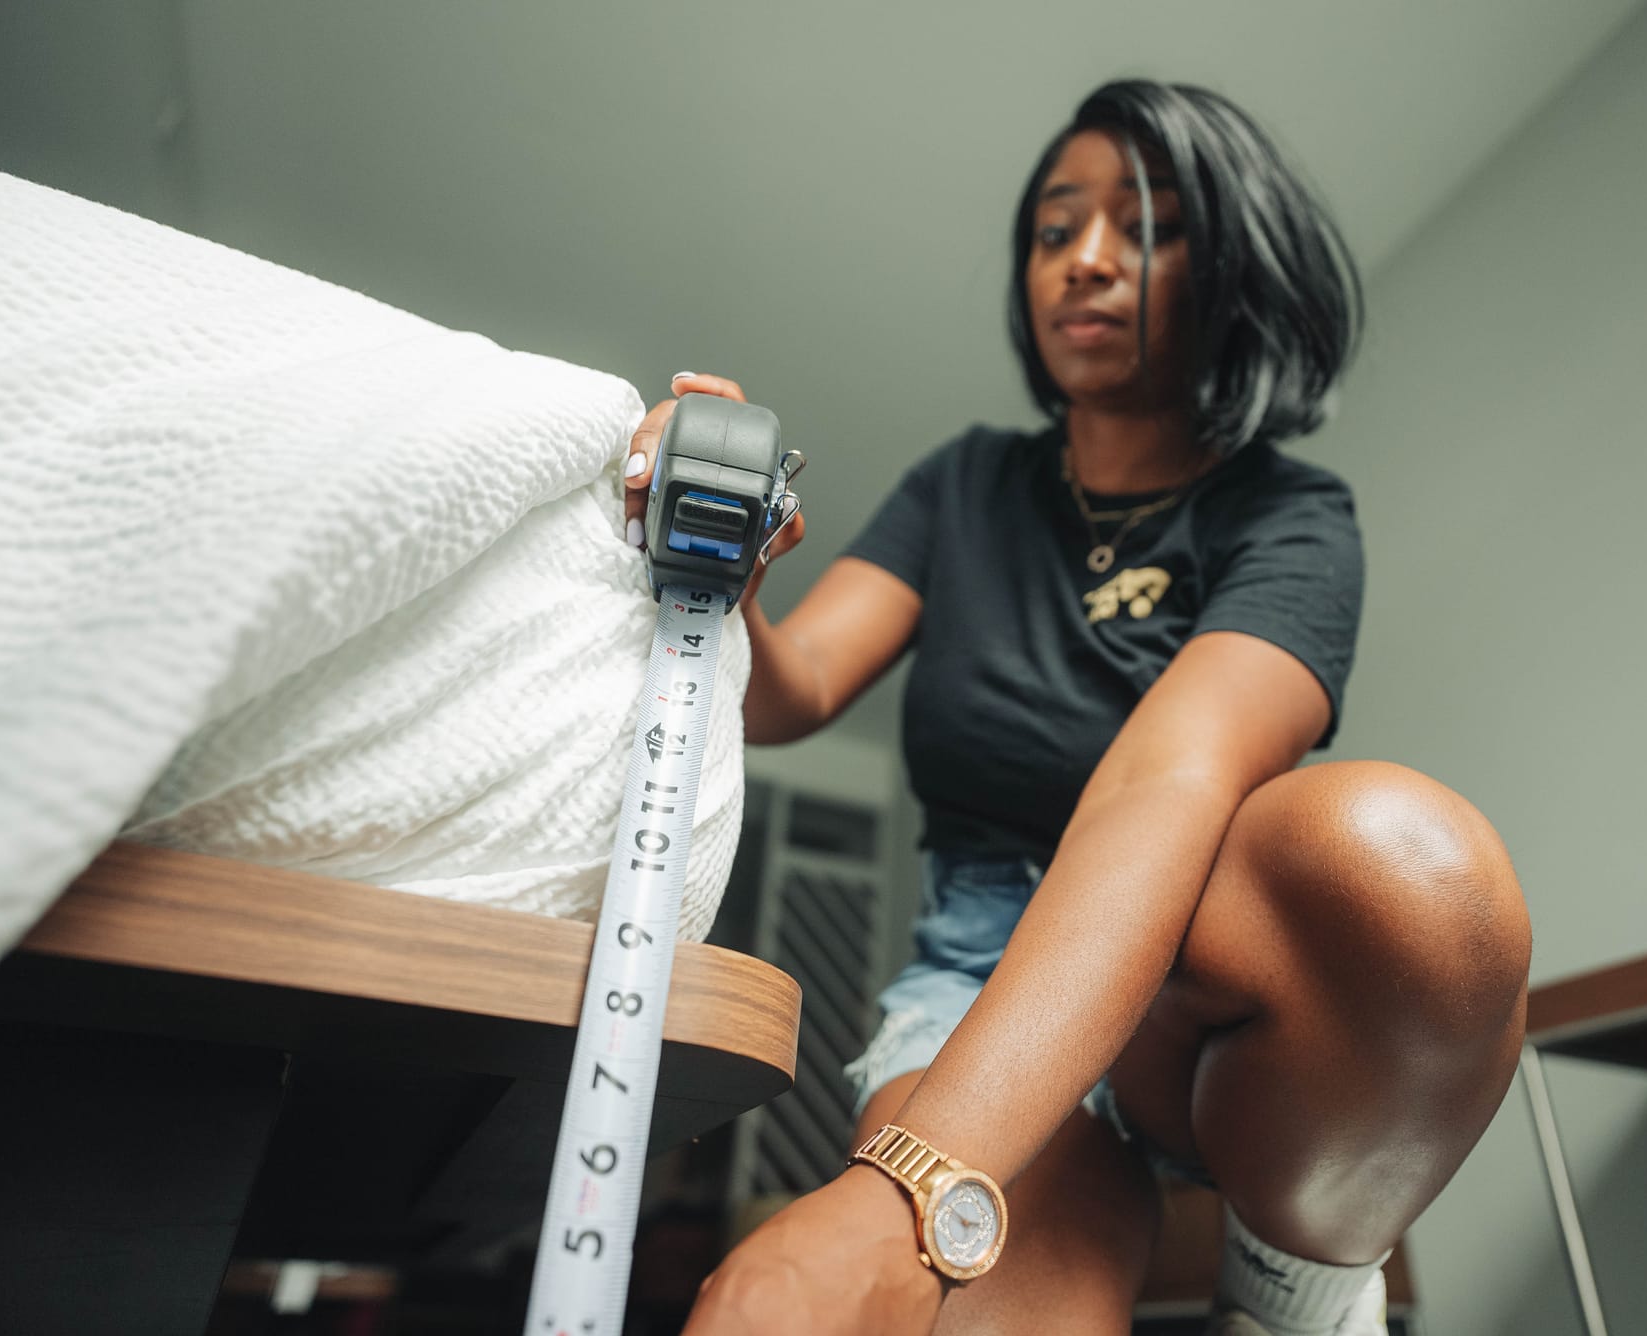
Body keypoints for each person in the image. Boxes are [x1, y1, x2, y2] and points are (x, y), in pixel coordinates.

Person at [622, 80, 1531, 1336]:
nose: (1085, 262)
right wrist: (730, 585)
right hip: (977, 968)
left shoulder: (1288, 516)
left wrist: (904, 1194)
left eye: (1142, 226)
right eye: (1054, 231)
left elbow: (1171, 782)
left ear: (1229, 266)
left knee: (1411, 864)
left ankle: (1295, 1302)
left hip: (1197, 967)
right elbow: (793, 694)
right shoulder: (964, 485)